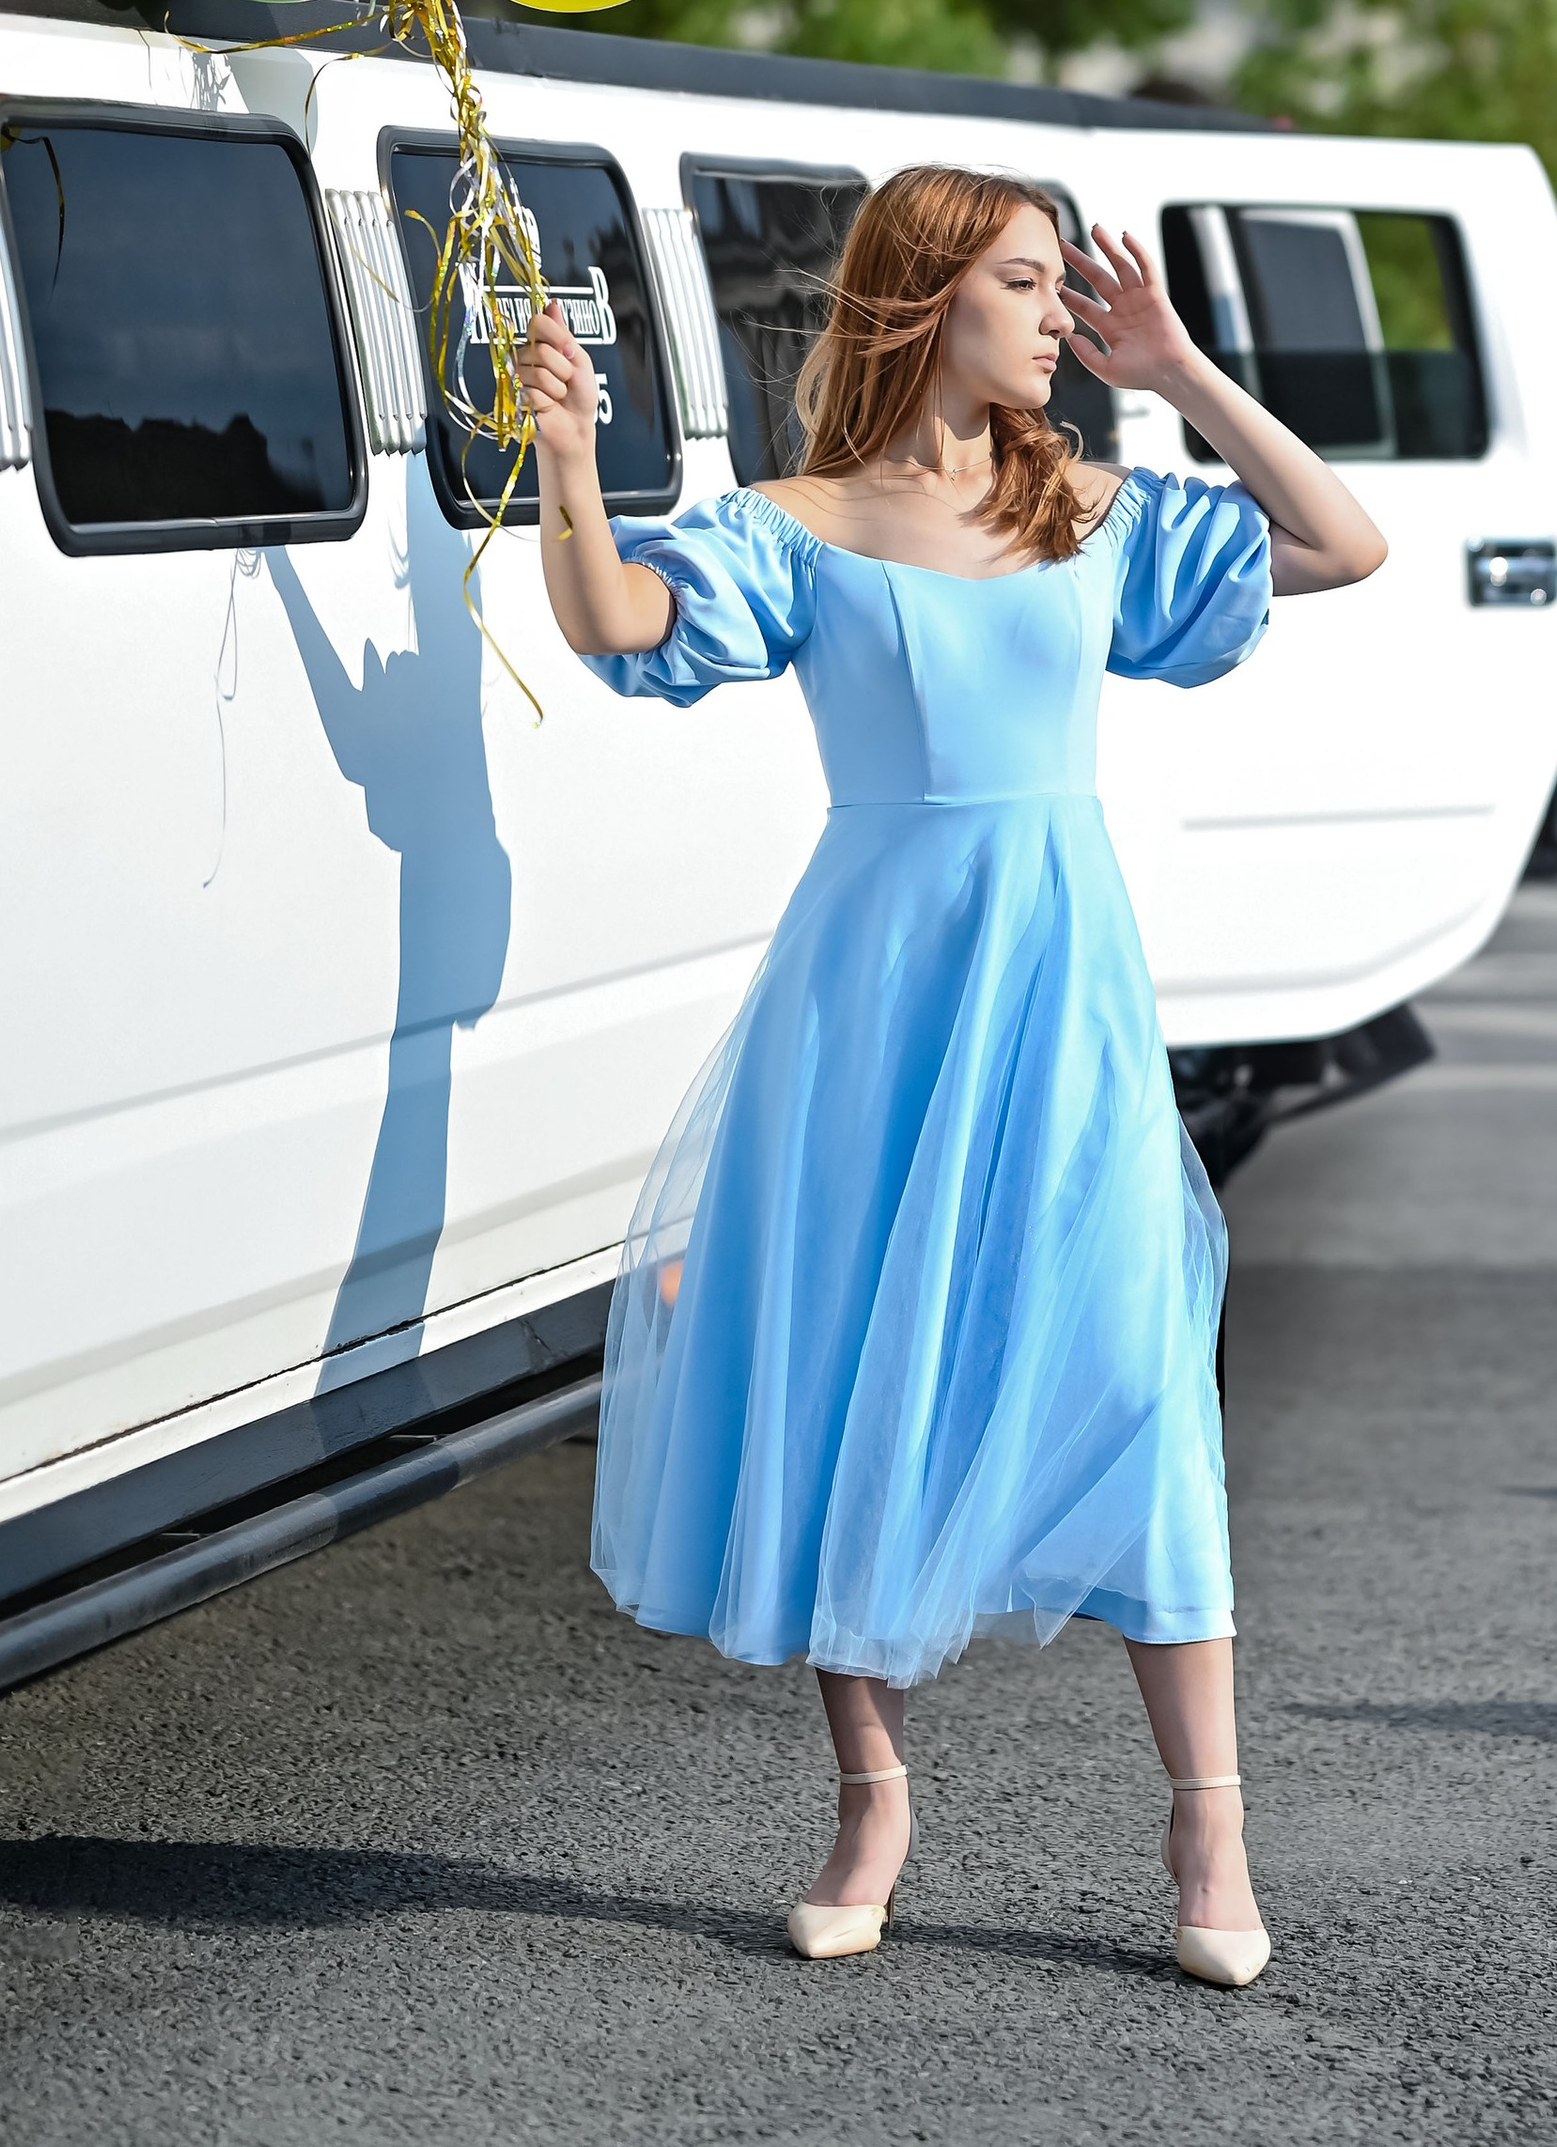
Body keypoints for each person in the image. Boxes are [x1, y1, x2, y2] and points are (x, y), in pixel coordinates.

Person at [524, 168, 1386, 1988]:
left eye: (1063, 292)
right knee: (856, 1369)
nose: (1056, 316)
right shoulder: (795, 526)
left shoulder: (1088, 505)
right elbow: (613, 626)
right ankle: (871, 1796)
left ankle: (1208, 1823)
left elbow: (1341, 543)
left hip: (1059, 977)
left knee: (1139, 1365)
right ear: (928, 299)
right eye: (1025, 282)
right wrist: (570, 461)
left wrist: (1183, 367)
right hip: (871, 987)